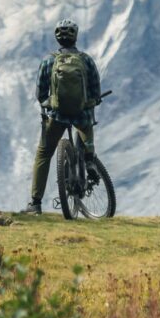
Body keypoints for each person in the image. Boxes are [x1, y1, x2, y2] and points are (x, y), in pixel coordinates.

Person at [23, 19, 102, 214]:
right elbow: (95, 91)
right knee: (86, 127)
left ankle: (35, 203)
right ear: (75, 37)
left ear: (57, 38)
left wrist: (48, 104)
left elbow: (40, 93)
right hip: (81, 114)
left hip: (57, 116)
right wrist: (91, 102)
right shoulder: (86, 60)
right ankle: (90, 159)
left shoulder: (49, 61)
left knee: (44, 153)